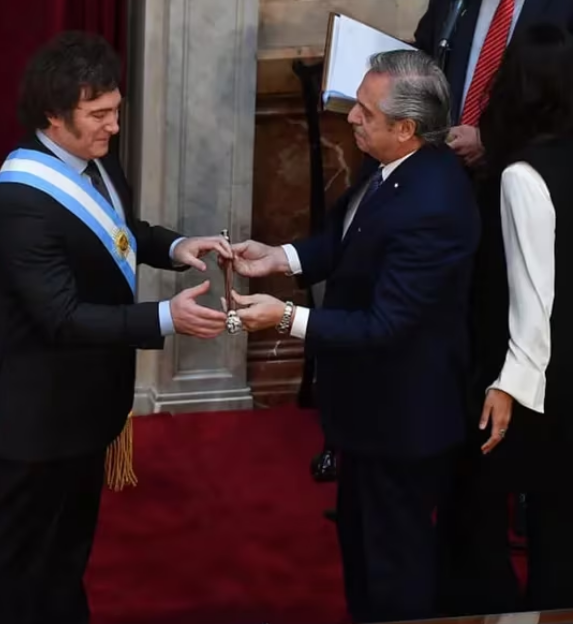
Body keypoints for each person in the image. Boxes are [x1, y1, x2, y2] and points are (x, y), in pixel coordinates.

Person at [0, 31, 232, 624]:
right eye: (99, 115)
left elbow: (118, 230)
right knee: (14, 562)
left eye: (116, 110)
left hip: (88, 402)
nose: (113, 126)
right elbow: (60, 316)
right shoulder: (18, 202)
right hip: (34, 415)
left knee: (66, 556)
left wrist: (176, 246)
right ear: (52, 115)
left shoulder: (97, 160)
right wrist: (166, 317)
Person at [227, 50, 480, 623]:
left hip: (404, 419)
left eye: (365, 110)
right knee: (362, 554)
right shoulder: (387, 163)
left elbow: (386, 325)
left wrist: (284, 318)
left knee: (394, 572)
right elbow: (345, 237)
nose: (352, 118)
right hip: (368, 411)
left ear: (406, 128)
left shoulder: (434, 205)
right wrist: (279, 258)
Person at [436, 23, 573, 615]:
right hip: (557, 370)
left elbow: (533, 297)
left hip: (537, 382)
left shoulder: (521, 175)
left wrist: (507, 388)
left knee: (518, 519)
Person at [414, 0, 573, 168]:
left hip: (518, 169)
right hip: (439, 161)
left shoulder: (564, 8)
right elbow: (423, 60)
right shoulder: (450, 4)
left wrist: (489, 140)